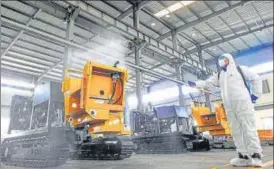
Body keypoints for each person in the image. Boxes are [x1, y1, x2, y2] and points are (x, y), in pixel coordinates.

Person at [188, 53, 263, 167]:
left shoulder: (241, 70)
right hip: (229, 107)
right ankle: (243, 156)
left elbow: (256, 78)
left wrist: (255, 95)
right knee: (236, 131)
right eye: (220, 60)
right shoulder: (219, 75)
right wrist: (196, 84)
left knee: (249, 129)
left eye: (224, 59)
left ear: (230, 60)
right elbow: (208, 83)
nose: (222, 61)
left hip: (243, 104)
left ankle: (256, 156)